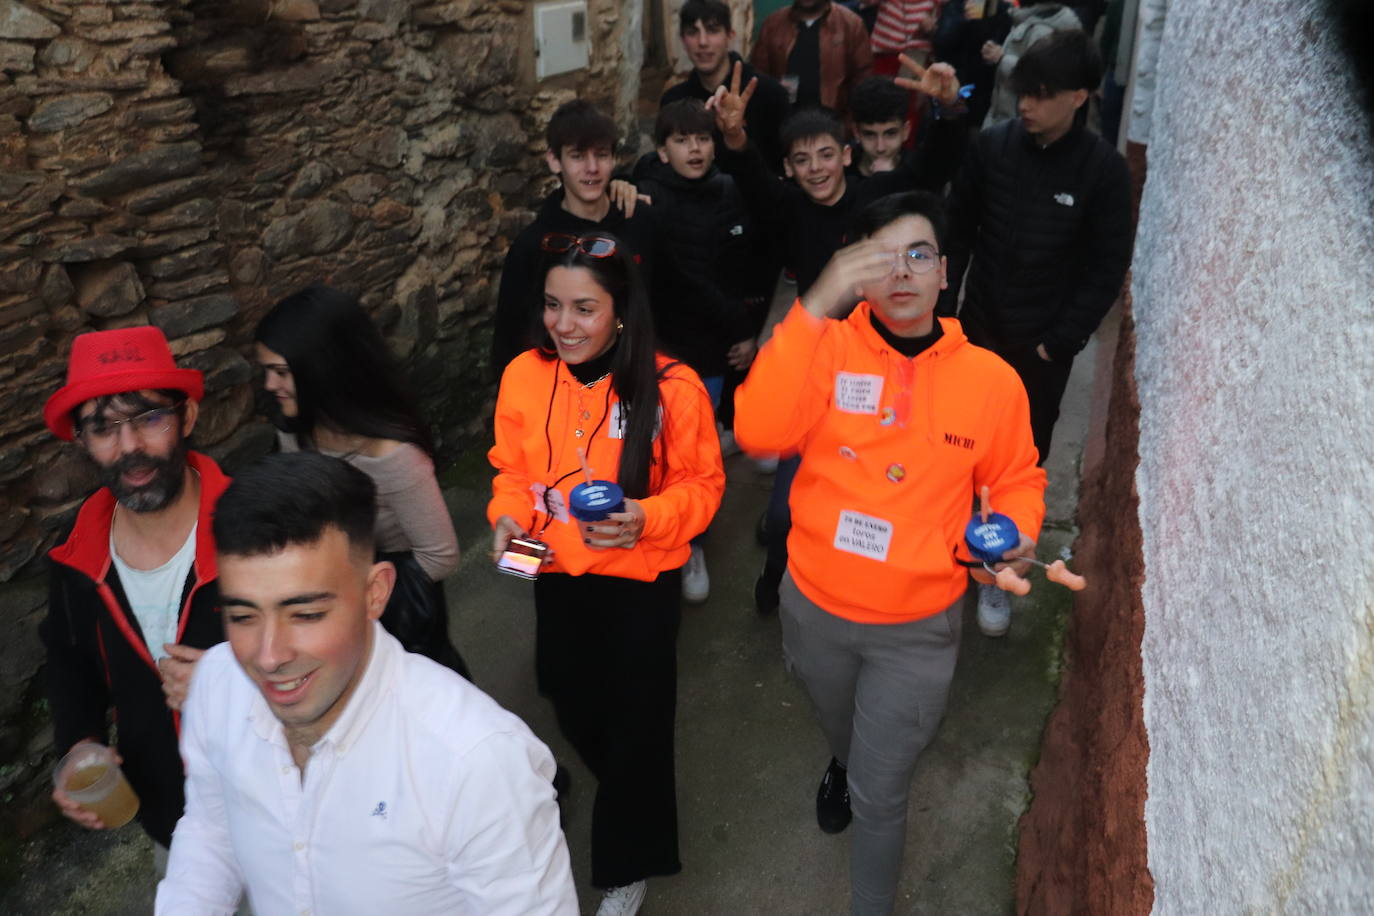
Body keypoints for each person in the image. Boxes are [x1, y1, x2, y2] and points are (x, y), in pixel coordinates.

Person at [733, 191, 1046, 915]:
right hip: (812, 606)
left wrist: (1017, 530)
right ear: (856, 273)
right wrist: (814, 305)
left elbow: (1017, 479)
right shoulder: (825, 349)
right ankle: (843, 757)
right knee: (840, 724)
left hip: (917, 630)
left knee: (883, 793)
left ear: (944, 273)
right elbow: (756, 429)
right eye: (881, 258)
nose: (902, 272)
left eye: (920, 254)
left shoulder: (992, 381)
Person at [155, 452, 578, 915]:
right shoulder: (217, 683)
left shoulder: (476, 763)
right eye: (242, 616)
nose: (269, 656)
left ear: (375, 592)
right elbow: (212, 825)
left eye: (307, 614)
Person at [488, 233, 725, 916]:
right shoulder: (524, 376)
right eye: (554, 306)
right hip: (555, 569)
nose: (564, 324)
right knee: (565, 693)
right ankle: (628, 785)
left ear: (621, 312)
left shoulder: (671, 387)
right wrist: (505, 518)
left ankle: (626, 862)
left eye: (585, 309)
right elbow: (511, 470)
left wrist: (647, 517)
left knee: (638, 725)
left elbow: (704, 486)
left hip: (640, 584)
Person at [709, 60, 965, 613]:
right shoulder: (786, 207)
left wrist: (947, 110)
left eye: (826, 153)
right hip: (815, 363)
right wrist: (734, 137)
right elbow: (752, 180)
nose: (816, 167)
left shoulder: (882, 196)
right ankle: (777, 573)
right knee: (783, 511)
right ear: (790, 170)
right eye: (801, 160)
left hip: (880, 364)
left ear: (847, 155)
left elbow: (937, 162)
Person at [941, 29, 1132, 636]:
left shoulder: (1103, 171)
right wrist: (946, 317)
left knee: (1017, 469)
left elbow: (1107, 267)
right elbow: (958, 232)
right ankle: (948, 559)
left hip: (1041, 353)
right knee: (953, 451)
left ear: (1081, 97)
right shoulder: (992, 149)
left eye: (1042, 94)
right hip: (975, 336)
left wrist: (1060, 341)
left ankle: (997, 571)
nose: (1026, 105)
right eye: (1023, 91)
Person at [40, 326, 227, 866]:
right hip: (171, 812)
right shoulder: (75, 554)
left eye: (149, 418)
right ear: (82, 442)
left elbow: (341, 644)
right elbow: (69, 660)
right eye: (103, 429)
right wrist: (80, 741)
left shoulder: (259, 525)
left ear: (186, 417)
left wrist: (236, 684)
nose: (129, 449)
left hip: (286, 801)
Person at [254, 284, 469, 678]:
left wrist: (359, 592)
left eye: (281, 372)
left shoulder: (394, 456)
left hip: (389, 618)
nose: (270, 385)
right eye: (266, 371)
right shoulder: (294, 430)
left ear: (321, 368)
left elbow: (440, 557)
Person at [492, 99, 650, 375]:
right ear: (554, 160)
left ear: (613, 159)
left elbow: (668, 306)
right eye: (577, 156)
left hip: (636, 381)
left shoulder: (639, 221)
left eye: (601, 155)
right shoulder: (533, 246)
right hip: (562, 393)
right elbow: (510, 342)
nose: (592, 168)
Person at [662, 0, 791, 173]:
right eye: (693, 32)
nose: (702, 42)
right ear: (683, 40)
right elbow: (662, 164)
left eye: (712, 30)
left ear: (730, 35)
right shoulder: (674, 101)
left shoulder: (770, 94)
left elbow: (786, 168)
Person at [751, 0, 875, 120]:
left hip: (833, 127)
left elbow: (862, 82)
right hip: (783, 126)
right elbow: (759, 79)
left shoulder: (851, 24)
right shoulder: (773, 24)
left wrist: (848, 126)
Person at [978, 0, 1081, 128]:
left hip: (1018, 123)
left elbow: (1039, 75)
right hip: (1005, 116)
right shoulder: (1027, 19)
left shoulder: (1043, 30)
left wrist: (1002, 58)